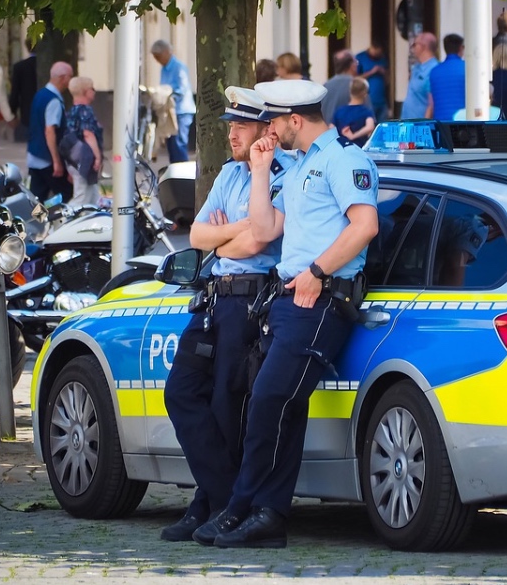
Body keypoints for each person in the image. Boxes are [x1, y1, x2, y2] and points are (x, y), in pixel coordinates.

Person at [192, 80, 379, 549]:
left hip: (320, 297)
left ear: (296, 119)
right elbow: (265, 227)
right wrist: (259, 171)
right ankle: (266, 515)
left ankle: (242, 509)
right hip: (288, 298)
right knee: (277, 405)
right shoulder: (298, 167)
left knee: (270, 399)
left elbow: (365, 226)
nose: (269, 130)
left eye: (274, 121)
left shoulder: (344, 159)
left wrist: (318, 270)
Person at [160, 85, 293, 543]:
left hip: (249, 302)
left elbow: (259, 241)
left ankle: (212, 504)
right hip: (213, 298)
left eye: (240, 125)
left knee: (225, 407)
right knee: (180, 392)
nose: (232, 133)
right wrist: (227, 235)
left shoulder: (282, 174)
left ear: (265, 129)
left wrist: (225, 236)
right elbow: (196, 235)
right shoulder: (228, 175)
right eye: (230, 125)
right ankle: (219, 498)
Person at [27, 61, 74, 202]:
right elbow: (50, 131)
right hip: (47, 159)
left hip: (34, 156)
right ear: (63, 77)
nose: (70, 81)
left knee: (37, 199)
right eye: (70, 77)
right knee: (67, 195)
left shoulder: (40, 95)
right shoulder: (53, 101)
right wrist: (56, 161)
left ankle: (35, 222)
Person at [60, 76, 103, 205]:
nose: (94, 91)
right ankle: (63, 220)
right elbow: (88, 134)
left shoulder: (71, 111)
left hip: (73, 160)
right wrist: (97, 157)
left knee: (93, 196)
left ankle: (94, 222)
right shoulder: (86, 111)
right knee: (82, 196)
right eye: (92, 88)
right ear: (85, 91)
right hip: (85, 159)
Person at [151, 39, 196, 162]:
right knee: (171, 145)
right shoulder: (164, 69)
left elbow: (182, 89)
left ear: (166, 52)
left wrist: (167, 94)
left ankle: (182, 175)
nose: (157, 60)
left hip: (182, 111)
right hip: (169, 112)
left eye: (158, 56)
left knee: (179, 144)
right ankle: (174, 172)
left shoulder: (179, 67)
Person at [320, 51, 366, 126]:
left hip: (328, 134)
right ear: (352, 66)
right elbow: (368, 112)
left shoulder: (325, 86)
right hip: (352, 134)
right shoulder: (358, 85)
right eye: (356, 62)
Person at [400, 32, 438, 119]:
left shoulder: (433, 69)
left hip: (420, 125)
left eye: (415, 44)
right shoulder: (416, 67)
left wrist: (425, 124)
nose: (412, 48)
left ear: (423, 46)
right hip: (407, 122)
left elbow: (431, 103)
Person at [427, 33, 465, 120]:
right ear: (461, 48)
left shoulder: (434, 72)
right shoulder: (468, 69)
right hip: (462, 123)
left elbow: (431, 103)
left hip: (441, 124)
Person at [332, 78, 376, 146]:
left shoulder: (340, 110)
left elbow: (331, 128)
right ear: (365, 94)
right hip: (359, 148)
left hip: (342, 148)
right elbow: (370, 127)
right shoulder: (365, 111)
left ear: (350, 92)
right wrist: (353, 136)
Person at [8, 39, 37, 143]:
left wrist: (12, 113)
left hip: (27, 111)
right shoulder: (49, 66)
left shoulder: (19, 67)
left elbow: (15, 92)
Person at [355, 42, 389, 122]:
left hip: (382, 100)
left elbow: (388, 80)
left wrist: (383, 72)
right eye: (375, 53)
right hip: (368, 99)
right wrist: (372, 72)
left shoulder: (382, 58)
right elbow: (356, 78)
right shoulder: (360, 57)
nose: (377, 55)